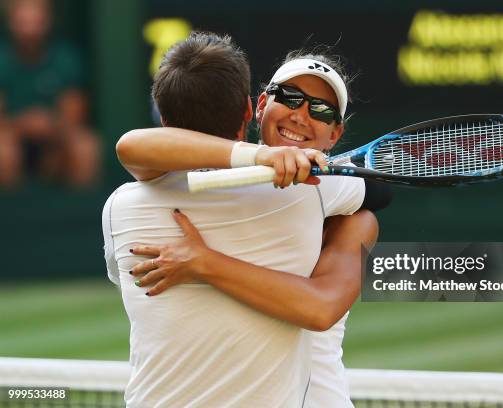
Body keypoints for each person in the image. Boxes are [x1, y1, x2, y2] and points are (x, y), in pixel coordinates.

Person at [103, 32, 375, 407]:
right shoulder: (315, 195)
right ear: (256, 108)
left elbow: (131, 147)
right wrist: (261, 160)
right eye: (290, 98)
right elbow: (131, 147)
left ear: (336, 133)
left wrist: (205, 263)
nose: (300, 114)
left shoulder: (120, 207)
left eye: (322, 110)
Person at [0, 0, 99, 188]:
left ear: (48, 21)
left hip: (56, 140)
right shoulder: (2, 60)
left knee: (86, 147)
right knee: (3, 150)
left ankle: (80, 211)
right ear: (11, 22)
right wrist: (24, 125)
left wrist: (50, 127)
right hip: (12, 138)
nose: (30, 29)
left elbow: (74, 115)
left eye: (36, 20)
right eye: (23, 21)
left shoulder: (65, 58)